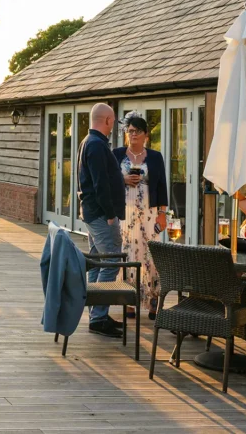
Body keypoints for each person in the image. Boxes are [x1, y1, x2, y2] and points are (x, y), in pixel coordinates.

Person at [77, 102, 126, 338]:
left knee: (97, 261)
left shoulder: (90, 142)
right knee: (111, 262)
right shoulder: (96, 145)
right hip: (100, 215)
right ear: (107, 120)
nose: (114, 125)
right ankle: (97, 318)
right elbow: (100, 185)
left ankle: (98, 313)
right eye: (113, 120)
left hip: (93, 213)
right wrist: (109, 215)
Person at [112, 114, 168, 319]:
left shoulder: (155, 157)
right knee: (129, 254)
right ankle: (129, 301)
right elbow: (109, 179)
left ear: (145, 135)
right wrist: (123, 179)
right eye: (130, 131)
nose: (132, 134)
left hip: (149, 213)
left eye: (136, 131)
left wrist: (162, 215)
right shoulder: (117, 154)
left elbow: (162, 187)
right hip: (126, 213)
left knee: (151, 256)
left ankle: (154, 301)